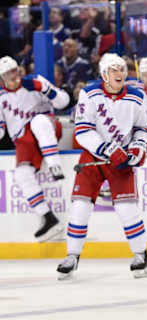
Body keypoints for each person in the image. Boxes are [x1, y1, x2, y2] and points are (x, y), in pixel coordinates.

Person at [57, 53, 147, 280]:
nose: (119, 73)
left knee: (126, 209)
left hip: (121, 162)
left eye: (121, 69)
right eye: (114, 70)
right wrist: (107, 148)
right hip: (93, 159)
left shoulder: (137, 96)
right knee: (80, 207)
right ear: (104, 74)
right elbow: (82, 130)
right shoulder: (90, 94)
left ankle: (141, 255)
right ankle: (72, 256)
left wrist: (138, 147)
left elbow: (142, 128)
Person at [0, 56, 70, 241]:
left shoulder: (35, 81)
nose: (13, 75)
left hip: (48, 126)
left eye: (14, 70)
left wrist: (44, 88)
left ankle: (55, 166)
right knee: (21, 174)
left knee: (38, 121)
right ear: (2, 78)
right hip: (25, 140)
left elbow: (64, 101)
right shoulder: (0, 98)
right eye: (8, 73)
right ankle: (48, 218)